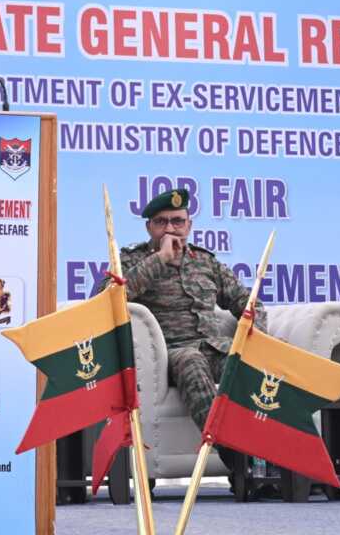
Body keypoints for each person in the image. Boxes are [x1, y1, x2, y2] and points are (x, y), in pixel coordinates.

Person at [97, 188, 266, 488]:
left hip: (213, 347)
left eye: (177, 221)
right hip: (168, 355)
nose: (171, 228)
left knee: (258, 365)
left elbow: (249, 303)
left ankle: (283, 462)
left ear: (189, 225)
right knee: (191, 361)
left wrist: (257, 340)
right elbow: (104, 300)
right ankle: (241, 462)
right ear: (149, 227)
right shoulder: (131, 260)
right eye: (161, 222)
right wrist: (159, 259)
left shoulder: (206, 262)